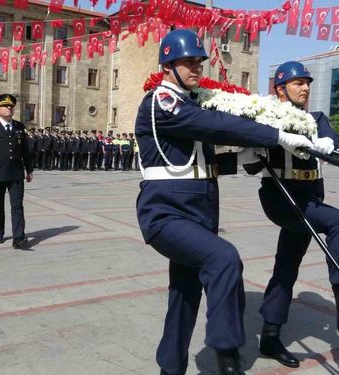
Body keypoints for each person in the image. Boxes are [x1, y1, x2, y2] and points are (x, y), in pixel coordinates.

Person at [135, 30, 313, 375]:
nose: (196, 67)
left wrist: (249, 158)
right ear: (168, 62)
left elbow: (197, 164)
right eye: (188, 61)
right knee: (225, 258)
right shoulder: (163, 100)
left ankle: (169, 368)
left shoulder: (190, 102)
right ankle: (227, 352)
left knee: (184, 295)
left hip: (199, 214)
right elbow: (213, 126)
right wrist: (277, 135)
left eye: (199, 61)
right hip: (166, 213)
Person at [247, 61, 339, 369]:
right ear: (280, 89)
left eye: (307, 82)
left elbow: (330, 139)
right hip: (282, 198)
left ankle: (270, 335)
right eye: (298, 82)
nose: (306, 87)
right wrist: (256, 146)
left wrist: (325, 142)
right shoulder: (268, 118)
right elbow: (249, 162)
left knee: (286, 268)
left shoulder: (316, 118)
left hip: (310, 198)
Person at [0, 94, 33, 250]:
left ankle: (19, 238)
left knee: (17, 206)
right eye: (5, 106)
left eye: (11, 106)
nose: (9, 108)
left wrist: (29, 169)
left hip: (16, 172)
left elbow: (25, 150)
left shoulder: (19, 126)